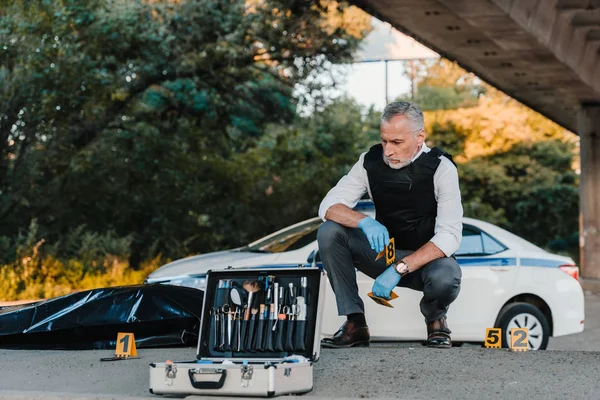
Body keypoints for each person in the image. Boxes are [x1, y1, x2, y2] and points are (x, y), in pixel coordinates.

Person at [317, 101, 463, 349]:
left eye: (397, 143)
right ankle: (355, 324)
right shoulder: (369, 162)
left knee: (448, 276)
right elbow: (328, 206)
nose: (388, 151)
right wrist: (364, 222)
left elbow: (449, 236)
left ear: (419, 137)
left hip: (427, 263)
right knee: (329, 231)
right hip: (383, 254)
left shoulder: (442, 168)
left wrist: (399, 269)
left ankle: (436, 321)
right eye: (384, 141)